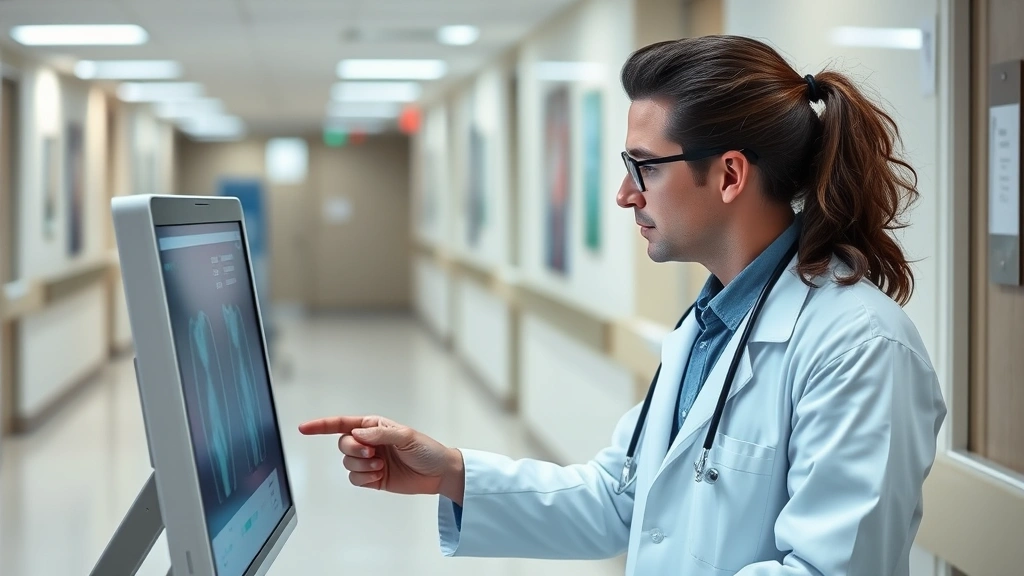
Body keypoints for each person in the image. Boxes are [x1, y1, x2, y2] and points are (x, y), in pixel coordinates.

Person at [299, 35, 946, 576]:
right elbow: (622, 498)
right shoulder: (710, 324)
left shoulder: (858, 347)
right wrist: (454, 472)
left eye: (644, 167)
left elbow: (829, 569)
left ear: (728, 175)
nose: (623, 194)